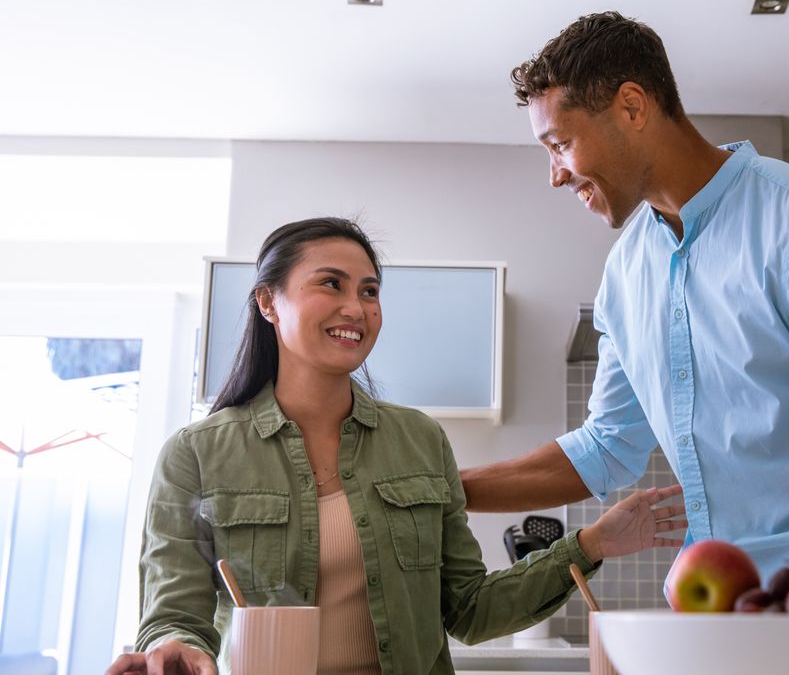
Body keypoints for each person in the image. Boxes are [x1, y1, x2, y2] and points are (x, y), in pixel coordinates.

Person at [461, 11, 789, 607]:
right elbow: (608, 444)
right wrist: (446, 491)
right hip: (711, 616)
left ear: (632, 108)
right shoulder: (624, 274)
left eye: (560, 143)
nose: (555, 175)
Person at [106, 216, 685, 675]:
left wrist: (590, 542)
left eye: (370, 290)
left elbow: (470, 610)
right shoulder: (195, 454)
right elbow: (173, 616)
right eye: (330, 284)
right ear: (267, 302)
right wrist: (176, 648)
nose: (356, 308)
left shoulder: (419, 440)